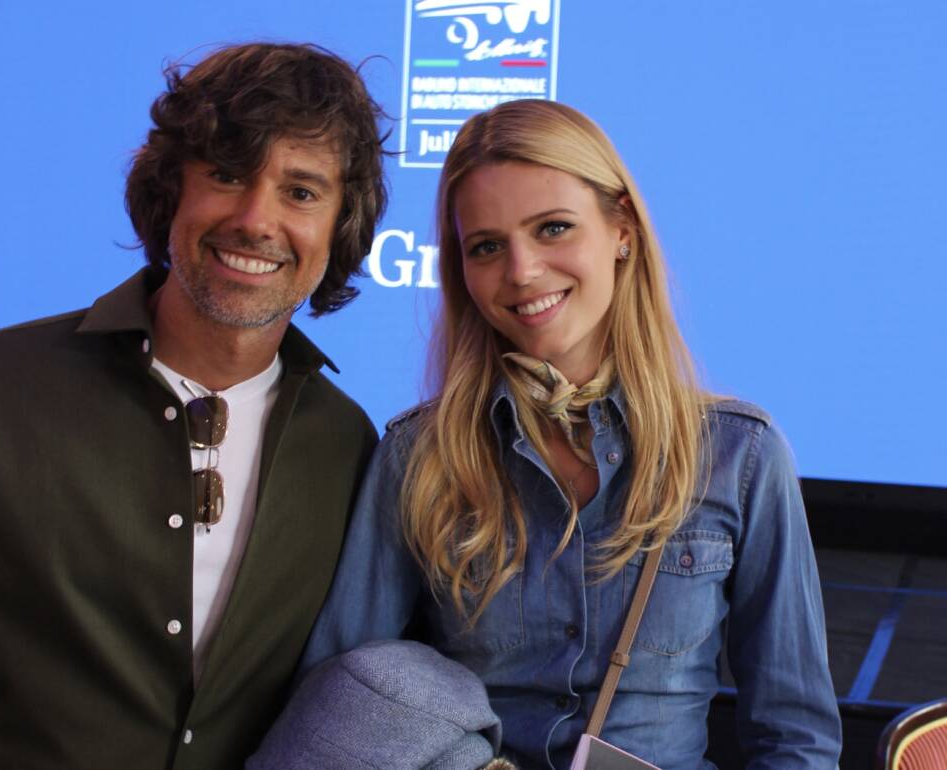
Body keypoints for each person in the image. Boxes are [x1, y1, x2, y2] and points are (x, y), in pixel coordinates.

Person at [300, 99, 841, 769]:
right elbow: (338, 709)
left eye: (553, 228)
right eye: (487, 246)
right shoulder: (417, 458)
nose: (522, 271)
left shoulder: (740, 456)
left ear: (622, 231)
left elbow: (795, 739)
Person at [0, 43, 387, 769]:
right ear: (170, 190)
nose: (256, 220)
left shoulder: (348, 446)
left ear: (341, 224)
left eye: (301, 192)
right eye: (227, 175)